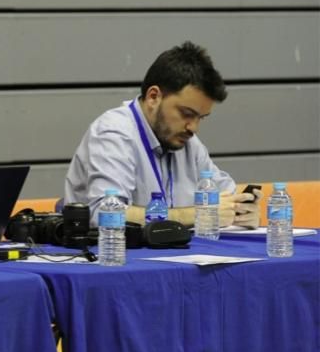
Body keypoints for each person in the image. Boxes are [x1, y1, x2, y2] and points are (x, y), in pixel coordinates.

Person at [64, 41, 259, 227]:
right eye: (186, 114)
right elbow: (104, 214)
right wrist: (197, 214)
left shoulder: (188, 142)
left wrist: (242, 212)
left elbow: (227, 198)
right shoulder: (114, 132)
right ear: (153, 97)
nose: (194, 128)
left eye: (201, 118)